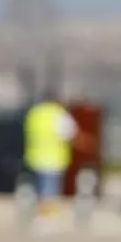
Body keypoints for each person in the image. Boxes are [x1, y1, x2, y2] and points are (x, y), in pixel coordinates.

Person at [22, 90, 79, 223]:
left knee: (39, 188)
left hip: (35, 157)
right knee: (50, 189)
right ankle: (47, 217)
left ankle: (38, 213)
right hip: (53, 158)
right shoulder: (58, 114)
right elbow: (70, 133)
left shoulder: (35, 113)